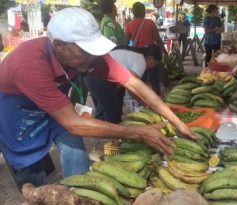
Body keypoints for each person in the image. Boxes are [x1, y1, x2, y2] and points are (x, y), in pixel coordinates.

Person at [0, 7, 196, 187]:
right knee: (30, 163)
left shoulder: (88, 56)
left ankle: (79, 192)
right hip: (17, 109)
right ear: (59, 46)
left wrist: (176, 121)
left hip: (53, 101)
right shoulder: (29, 65)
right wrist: (139, 132)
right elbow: (73, 123)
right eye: (86, 50)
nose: (92, 56)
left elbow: (135, 85)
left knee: (75, 146)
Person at [125, 2, 168, 95]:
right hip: (150, 54)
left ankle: (144, 102)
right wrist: (165, 52)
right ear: (144, 12)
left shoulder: (129, 25)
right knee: (154, 79)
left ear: (133, 12)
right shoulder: (150, 23)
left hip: (137, 54)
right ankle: (157, 99)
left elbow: (125, 43)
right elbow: (158, 39)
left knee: (141, 80)